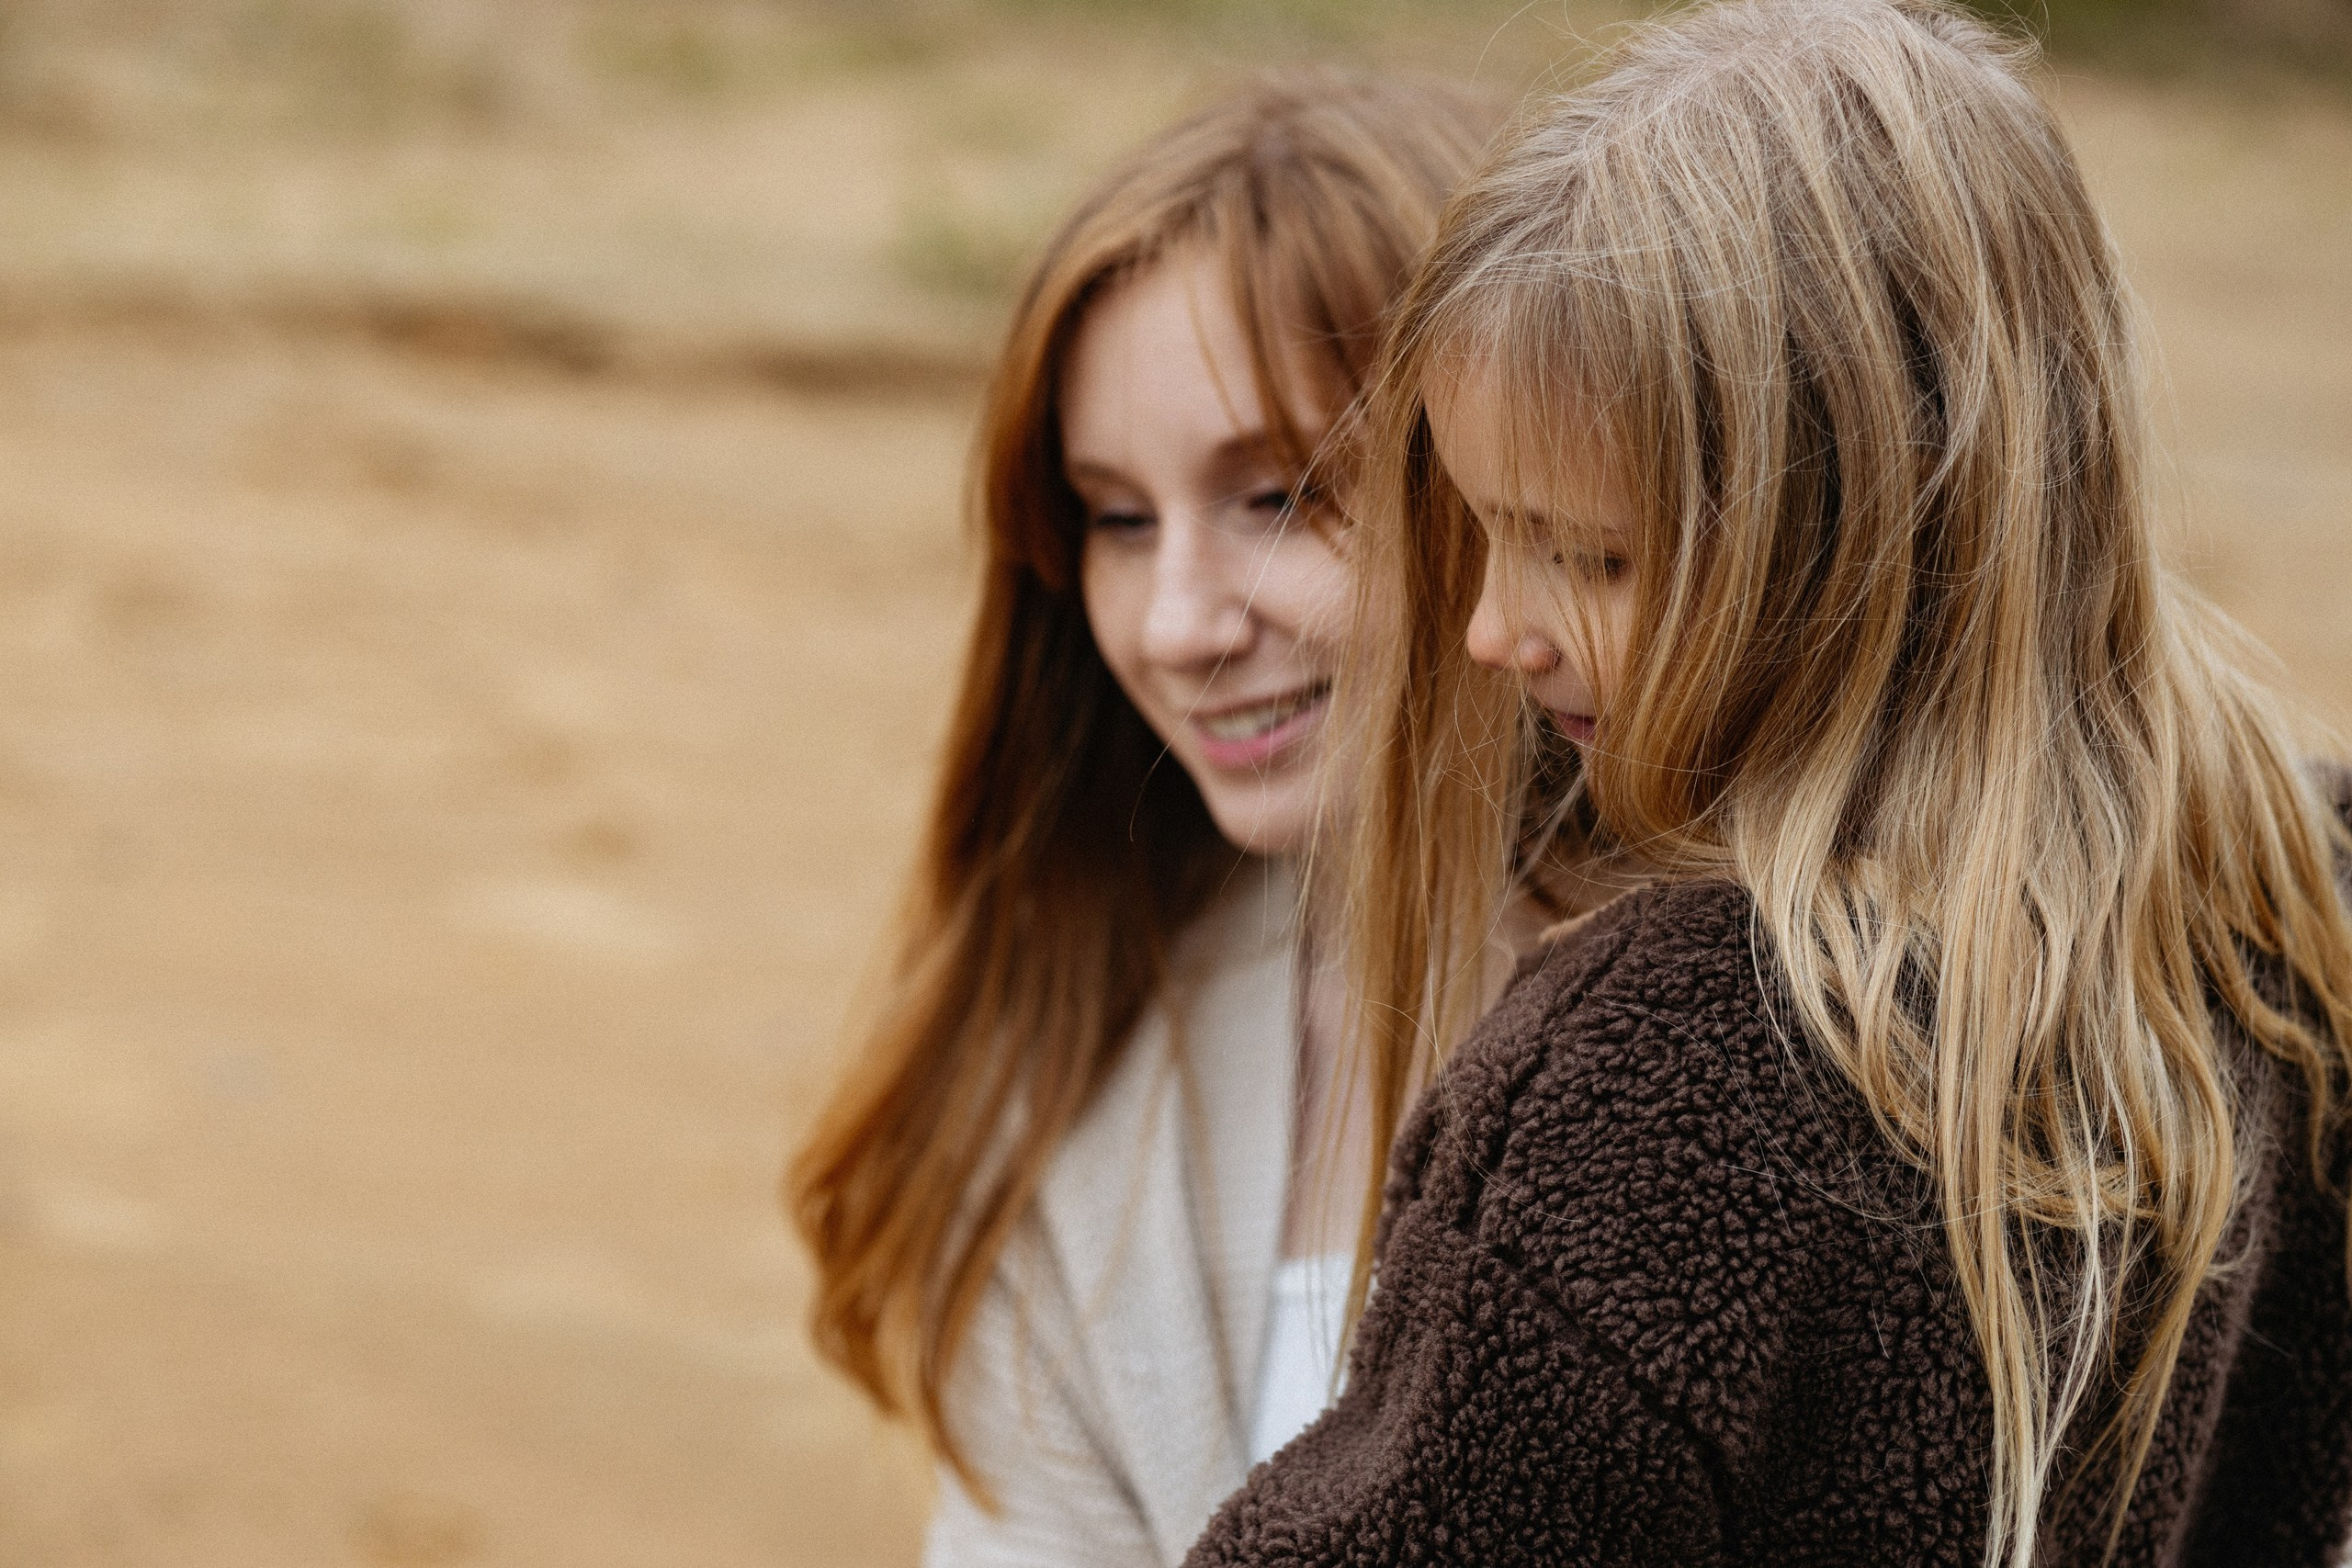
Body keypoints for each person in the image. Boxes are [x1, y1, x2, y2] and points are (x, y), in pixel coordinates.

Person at [1184, 4, 2352, 1566]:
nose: (1493, 631)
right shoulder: (2288, 885)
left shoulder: (1672, 1077)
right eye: (1486, 530)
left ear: (1863, 526)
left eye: (1588, 554)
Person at [787, 71, 1496, 1568]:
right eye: (1117, 516)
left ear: (1518, 480)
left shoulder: (1802, 1045)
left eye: (1283, 496)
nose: (1177, 626)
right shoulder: (1076, 1070)